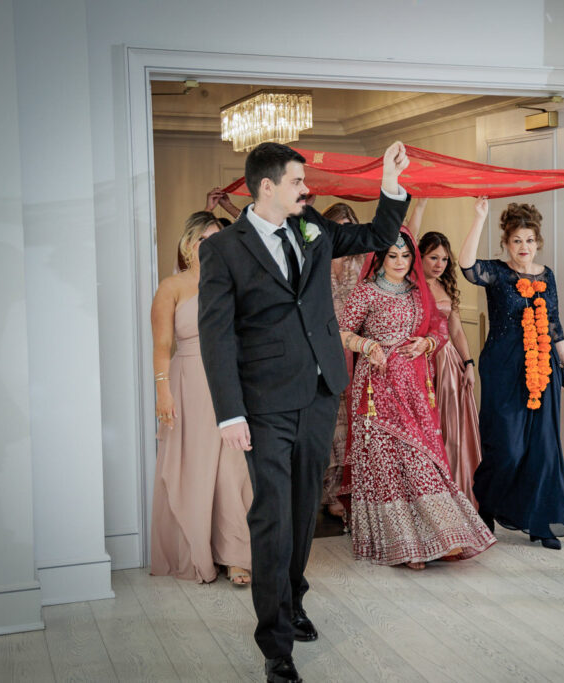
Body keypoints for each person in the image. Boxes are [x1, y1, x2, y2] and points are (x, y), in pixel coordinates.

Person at [198, 141, 410, 683]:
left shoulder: (312, 225)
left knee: (301, 510)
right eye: (298, 181)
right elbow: (216, 336)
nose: (306, 190)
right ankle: (275, 645)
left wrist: (390, 184)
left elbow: (377, 237)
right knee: (271, 517)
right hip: (264, 405)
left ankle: (293, 598)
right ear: (267, 186)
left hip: (319, 394)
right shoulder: (223, 250)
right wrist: (230, 413)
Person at [337, 228, 496, 569]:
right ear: (379, 257)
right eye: (392, 255)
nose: (399, 262)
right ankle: (405, 545)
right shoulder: (365, 292)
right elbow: (340, 331)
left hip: (413, 386)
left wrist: (427, 344)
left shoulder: (415, 292)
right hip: (375, 390)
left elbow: (438, 331)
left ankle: (440, 535)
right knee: (388, 466)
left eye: (405, 256)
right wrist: (367, 346)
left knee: (421, 460)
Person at [459, 198, 564, 550]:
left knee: (543, 448)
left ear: (537, 241)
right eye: (516, 241)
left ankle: (541, 522)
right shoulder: (496, 273)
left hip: (543, 369)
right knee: (507, 448)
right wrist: (479, 218)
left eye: (529, 240)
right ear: (506, 244)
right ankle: (485, 503)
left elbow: (553, 322)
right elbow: (466, 266)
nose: (523, 247)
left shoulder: (547, 275)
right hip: (503, 368)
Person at [150, 211, 252, 586]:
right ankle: (201, 552)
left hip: (228, 382)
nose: (213, 246)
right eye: (205, 240)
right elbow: (162, 346)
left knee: (234, 471)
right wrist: (163, 391)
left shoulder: (233, 284)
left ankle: (238, 555)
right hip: (188, 383)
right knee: (196, 471)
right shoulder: (172, 287)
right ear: (188, 245)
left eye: (219, 239)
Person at [415, 216, 482, 507]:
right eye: (433, 257)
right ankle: (430, 497)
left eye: (444, 258)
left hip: (449, 367)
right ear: (420, 256)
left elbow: (456, 329)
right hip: (420, 363)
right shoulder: (410, 286)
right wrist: (421, 207)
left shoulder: (446, 286)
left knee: (453, 431)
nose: (440, 263)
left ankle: (458, 493)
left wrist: (468, 364)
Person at [320, 202, 365, 519]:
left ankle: (341, 490)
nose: (343, 232)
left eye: (349, 225)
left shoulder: (362, 260)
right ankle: (323, 488)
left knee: (351, 423)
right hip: (323, 348)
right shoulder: (316, 257)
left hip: (356, 350)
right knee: (328, 424)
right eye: (338, 225)